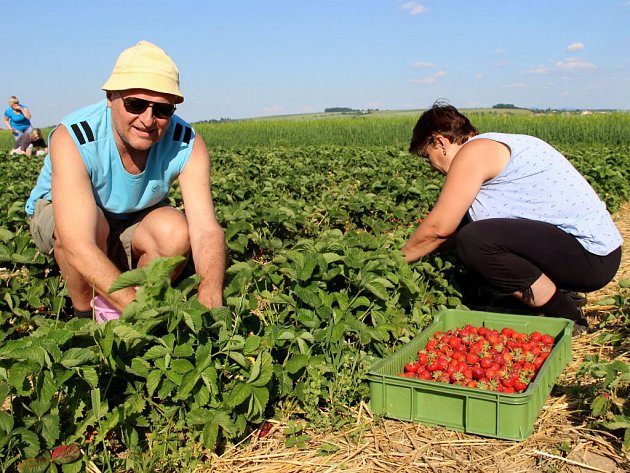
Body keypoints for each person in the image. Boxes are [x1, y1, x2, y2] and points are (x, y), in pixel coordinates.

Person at [25, 40, 226, 319]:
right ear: (110, 97)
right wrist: (138, 312)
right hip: (73, 218)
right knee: (84, 229)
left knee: (175, 231)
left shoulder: (185, 142)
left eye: (162, 110)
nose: (148, 119)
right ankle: (84, 316)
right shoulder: (74, 136)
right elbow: (78, 242)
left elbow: (206, 230)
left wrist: (210, 295)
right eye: (135, 104)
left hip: (133, 216)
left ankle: (132, 300)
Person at [401, 102, 622, 335]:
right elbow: (449, 230)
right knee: (469, 231)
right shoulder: (491, 146)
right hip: (593, 253)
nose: (433, 167)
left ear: (440, 142)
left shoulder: (474, 153)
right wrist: (427, 249)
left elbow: (439, 228)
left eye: (429, 157)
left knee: (475, 239)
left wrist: (398, 259)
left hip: (591, 257)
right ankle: (527, 298)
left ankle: (568, 316)